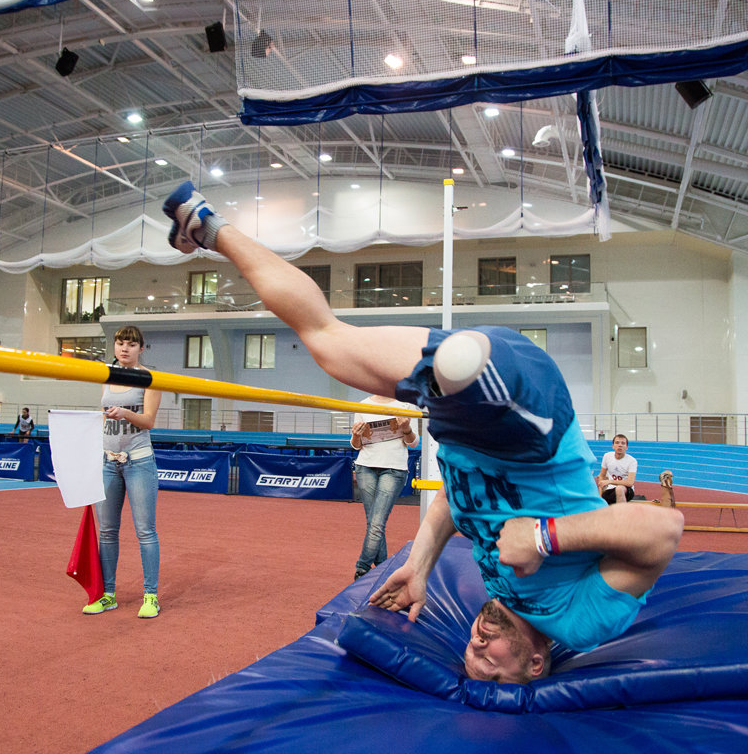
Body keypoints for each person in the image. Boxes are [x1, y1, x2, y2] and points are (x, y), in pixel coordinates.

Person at [163, 181, 684, 683]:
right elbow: (663, 532)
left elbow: (455, 506)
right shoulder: (580, 623)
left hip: (461, 424)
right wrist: (546, 537)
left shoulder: (498, 585)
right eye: (492, 663)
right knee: (464, 373)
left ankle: (205, 225)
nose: (477, 647)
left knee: (326, 341)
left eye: (470, 655)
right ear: (535, 665)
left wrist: (418, 566)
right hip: (531, 430)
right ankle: (475, 376)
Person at [83, 325, 163, 620]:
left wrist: (125, 413)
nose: (124, 348)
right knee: (106, 532)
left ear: (141, 348)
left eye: (131, 344)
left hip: (139, 461)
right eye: (119, 343)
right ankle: (108, 595)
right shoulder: (105, 377)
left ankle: (151, 596)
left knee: (145, 530)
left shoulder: (150, 380)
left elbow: (149, 421)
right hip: (107, 462)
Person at [350, 395, 420, 581]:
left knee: (376, 523)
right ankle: (383, 568)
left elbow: (413, 443)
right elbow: (356, 446)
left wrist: (406, 429)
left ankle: (362, 568)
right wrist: (356, 435)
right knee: (373, 522)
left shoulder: (406, 404)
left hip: (394, 468)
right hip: (365, 466)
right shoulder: (363, 405)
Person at [596, 434, 638, 504]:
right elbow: (602, 476)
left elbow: (630, 482)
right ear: (613, 446)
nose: (620, 445)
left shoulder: (632, 461)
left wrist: (610, 481)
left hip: (626, 490)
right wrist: (600, 496)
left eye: (623, 443)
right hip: (610, 489)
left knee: (619, 489)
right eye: (617, 443)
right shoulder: (607, 456)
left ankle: (622, 514)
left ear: (626, 447)